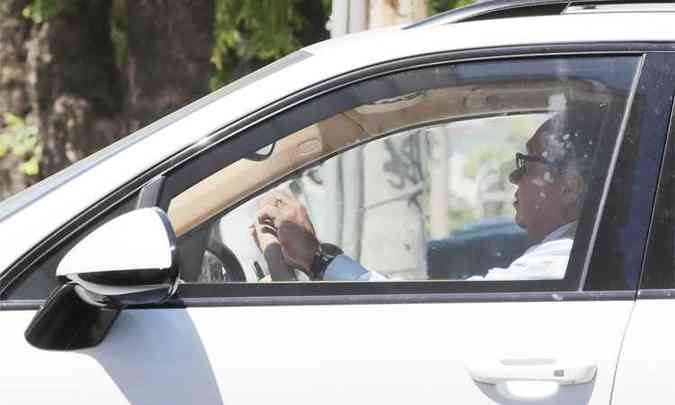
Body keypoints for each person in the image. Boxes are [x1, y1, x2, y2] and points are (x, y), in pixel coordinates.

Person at [251, 110, 598, 281]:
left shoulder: (560, 260)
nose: (513, 176)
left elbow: (429, 318)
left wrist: (318, 260)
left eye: (527, 163)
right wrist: (315, 261)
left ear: (570, 185)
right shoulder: (573, 254)